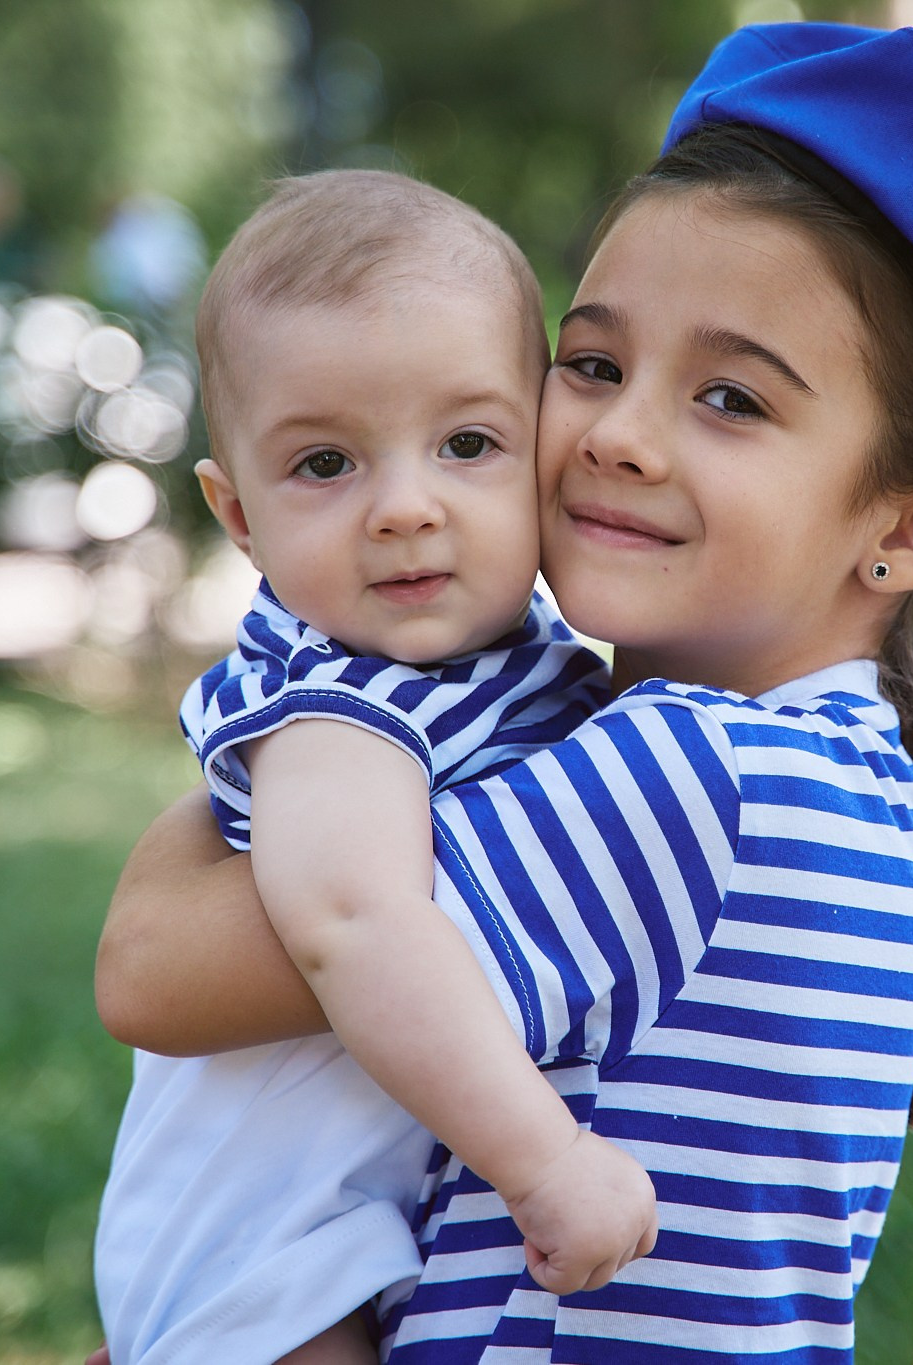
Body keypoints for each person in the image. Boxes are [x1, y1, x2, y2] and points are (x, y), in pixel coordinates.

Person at [96, 22, 913, 1361]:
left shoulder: (693, 777)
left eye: (730, 397)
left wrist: (278, 732)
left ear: (911, 529)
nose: (616, 433)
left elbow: (156, 967)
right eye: (594, 363)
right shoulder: (847, 775)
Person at [92, 170, 657, 1365]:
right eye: (325, 465)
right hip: (262, 1252)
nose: (404, 507)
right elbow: (351, 922)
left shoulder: (495, 660)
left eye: (465, 444)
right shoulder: (338, 704)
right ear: (236, 513)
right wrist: (544, 1159)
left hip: (351, 1223)